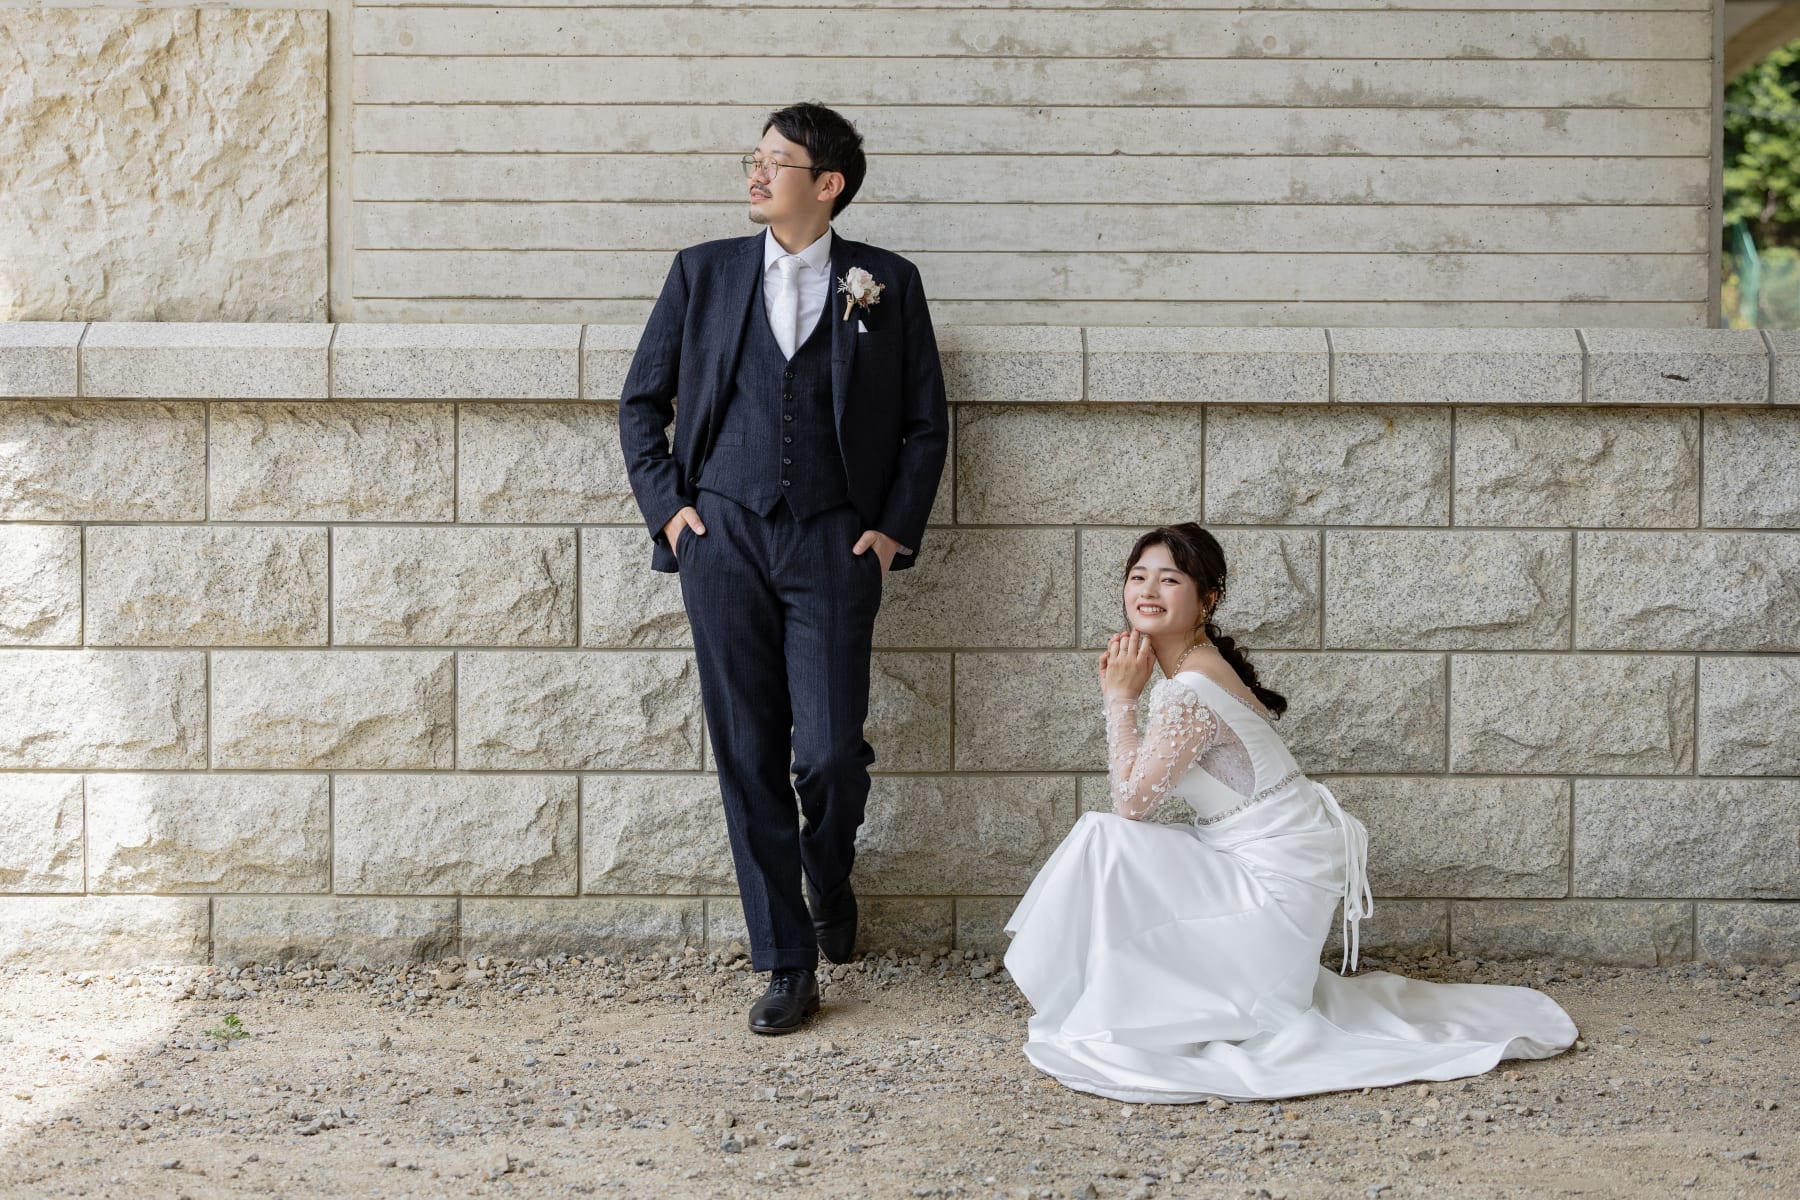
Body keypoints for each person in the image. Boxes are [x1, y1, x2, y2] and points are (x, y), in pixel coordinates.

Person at [1003, 523, 1577, 1101]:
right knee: (1114, 845)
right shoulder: (1194, 670)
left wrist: (1120, 698)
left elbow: (1131, 804)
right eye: (1137, 576)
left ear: (1207, 599)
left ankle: (1122, 999)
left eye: (1169, 580)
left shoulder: (1189, 689)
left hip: (1273, 893)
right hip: (1267, 866)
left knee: (1106, 839)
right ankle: (1120, 994)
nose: (1148, 590)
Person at [618, 103, 949, 1035]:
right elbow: (641, 404)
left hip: (835, 543)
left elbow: (926, 425)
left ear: (828, 184)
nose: (756, 175)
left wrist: (889, 532)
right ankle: (786, 959)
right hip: (721, 537)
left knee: (832, 752)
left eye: (777, 161)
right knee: (748, 750)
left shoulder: (886, 282)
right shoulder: (703, 271)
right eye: (754, 159)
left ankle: (828, 871)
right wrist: (672, 513)